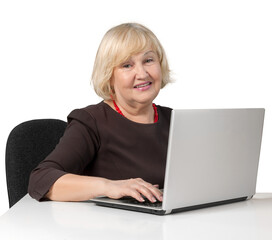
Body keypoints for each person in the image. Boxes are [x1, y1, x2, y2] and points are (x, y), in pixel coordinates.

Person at [28, 22, 172, 204]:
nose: (142, 73)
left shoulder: (176, 121)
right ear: (109, 76)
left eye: (148, 60)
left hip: (175, 226)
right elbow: (41, 179)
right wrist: (110, 186)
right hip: (111, 229)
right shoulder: (92, 121)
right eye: (127, 65)